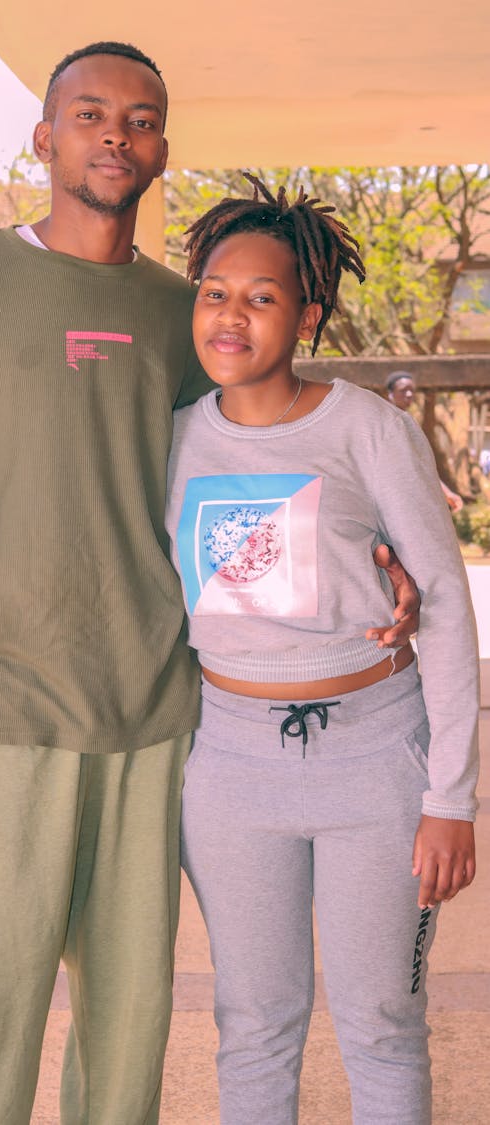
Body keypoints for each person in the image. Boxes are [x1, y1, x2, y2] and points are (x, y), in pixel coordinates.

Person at [0, 49, 418, 1124]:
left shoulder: (184, 316)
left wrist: (383, 560)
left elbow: (276, 459)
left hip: (157, 718)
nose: (118, 132)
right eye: (91, 113)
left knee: (125, 1056)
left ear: (160, 149)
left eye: (142, 118)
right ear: (45, 139)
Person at [165, 176, 480, 1124]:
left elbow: (452, 612)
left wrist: (451, 797)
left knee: (383, 1022)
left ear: (306, 314)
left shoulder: (365, 428)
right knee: (253, 1022)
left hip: (375, 758)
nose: (233, 316)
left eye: (263, 297)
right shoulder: (171, 440)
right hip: (229, 766)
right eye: (216, 292)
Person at [386, 369, 464, 511]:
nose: (409, 394)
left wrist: (446, 492)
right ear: (390, 394)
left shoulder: (407, 422)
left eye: (411, 390)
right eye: (403, 390)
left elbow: (419, 464)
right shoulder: (385, 422)